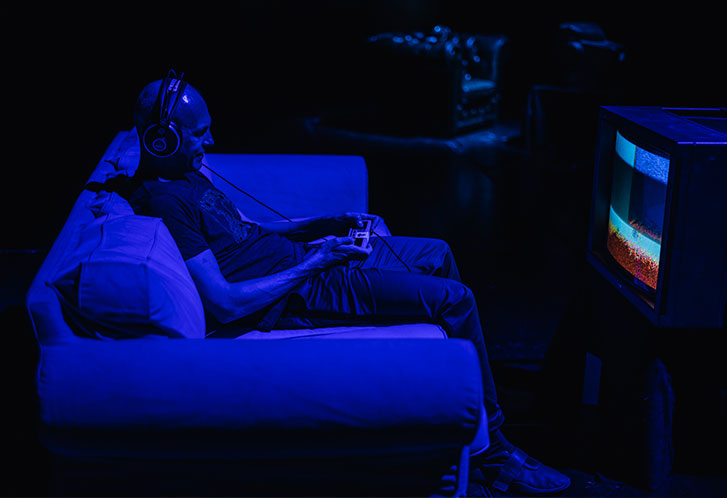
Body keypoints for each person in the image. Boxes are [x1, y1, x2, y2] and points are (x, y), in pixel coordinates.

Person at [122, 74, 570, 496]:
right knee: (456, 301)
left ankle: (456, 405)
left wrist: (323, 223)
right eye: (200, 134)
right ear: (163, 139)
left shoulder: (186, 173)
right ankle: (495, 452)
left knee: (437, 253)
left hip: (308, 260)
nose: (211, 142)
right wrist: (317, 262)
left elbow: (245, 230)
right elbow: (224, 303)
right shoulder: (164, 200)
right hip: (300, 291)